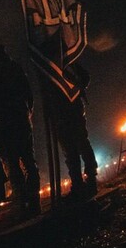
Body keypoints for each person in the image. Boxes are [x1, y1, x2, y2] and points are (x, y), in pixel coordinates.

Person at [0, 43, 41, 220]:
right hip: (21, 119)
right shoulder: (15, 67)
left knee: (11, 164)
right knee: (28, 160)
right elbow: (28, 94)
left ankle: (21, 204)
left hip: (2, 123)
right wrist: (26, 113)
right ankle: (34, 201)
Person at [39, 63, 98, 200]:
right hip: (59, 114)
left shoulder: (66, 62)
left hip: (73, 110)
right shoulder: (47, 67)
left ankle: (91, 179)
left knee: (82, 144)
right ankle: (78, 185)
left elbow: (84, 77)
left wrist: (76, 89)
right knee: (70, 151)